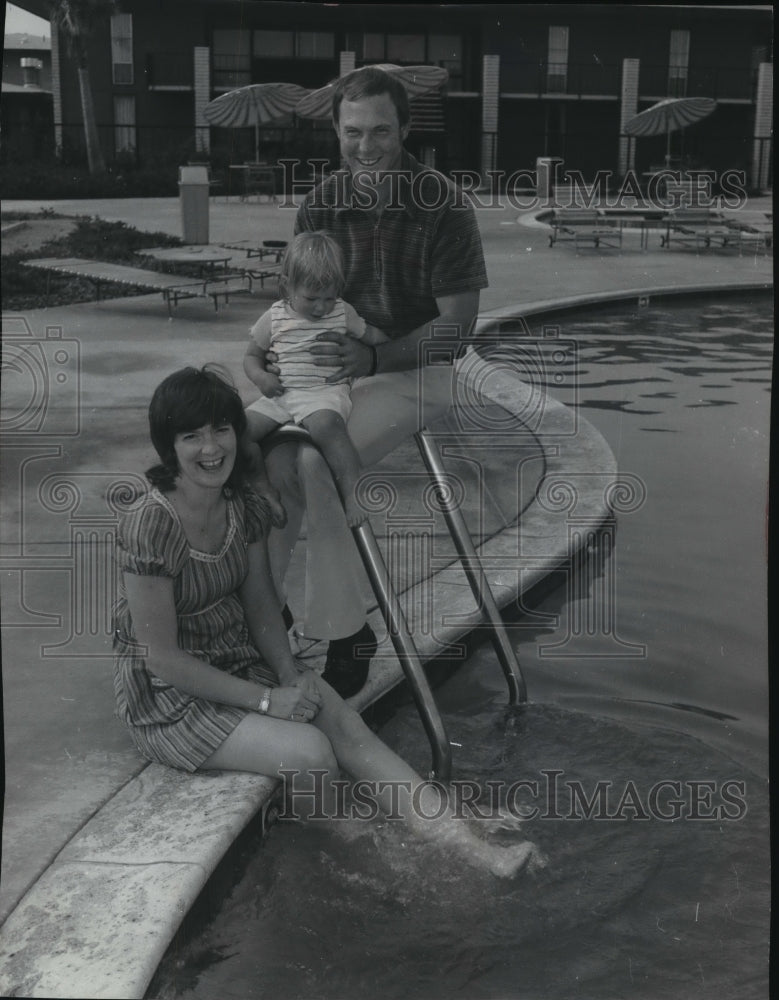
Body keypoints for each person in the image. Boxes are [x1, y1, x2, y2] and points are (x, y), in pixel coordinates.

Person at [112, 366, 538, 879]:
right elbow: (161, 658)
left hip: (236, 658)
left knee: (346, 726)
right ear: (168, 447)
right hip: (170, 699)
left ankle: (466, 845)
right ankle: (368, 855)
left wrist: (288, 675)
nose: (211, 448)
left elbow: (261, 605)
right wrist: (267, 700)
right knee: (311, 754)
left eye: (221, 430)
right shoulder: (151, 523)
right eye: (192, 436)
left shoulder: (238, 504)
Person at [263, 66, 488, 696]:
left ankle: (346, 631)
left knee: (314, 460)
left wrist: (374, 358)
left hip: (417, 371)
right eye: (353, 131)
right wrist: (279, 358)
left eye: (381, 130)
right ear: (336, 131)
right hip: (326, 376)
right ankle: (265, 612)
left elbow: (458, 328)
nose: (366, 146)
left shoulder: (443, 204)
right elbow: (298, 303)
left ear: (405, 129)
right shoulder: (321, 204)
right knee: (261, 455)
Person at [242, 231, 387, 533]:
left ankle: (353, 490)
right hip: (281, 395)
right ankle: (262, 488)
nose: (321, 308)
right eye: (311, 299)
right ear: (287, 286)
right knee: (238, 431)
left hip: (324, 393)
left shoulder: (343, 312)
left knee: (326, 426)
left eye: (328, 298)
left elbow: (372, 336)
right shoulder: (274, 316)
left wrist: (386, 347)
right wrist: (261, 377)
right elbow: (252, 357)